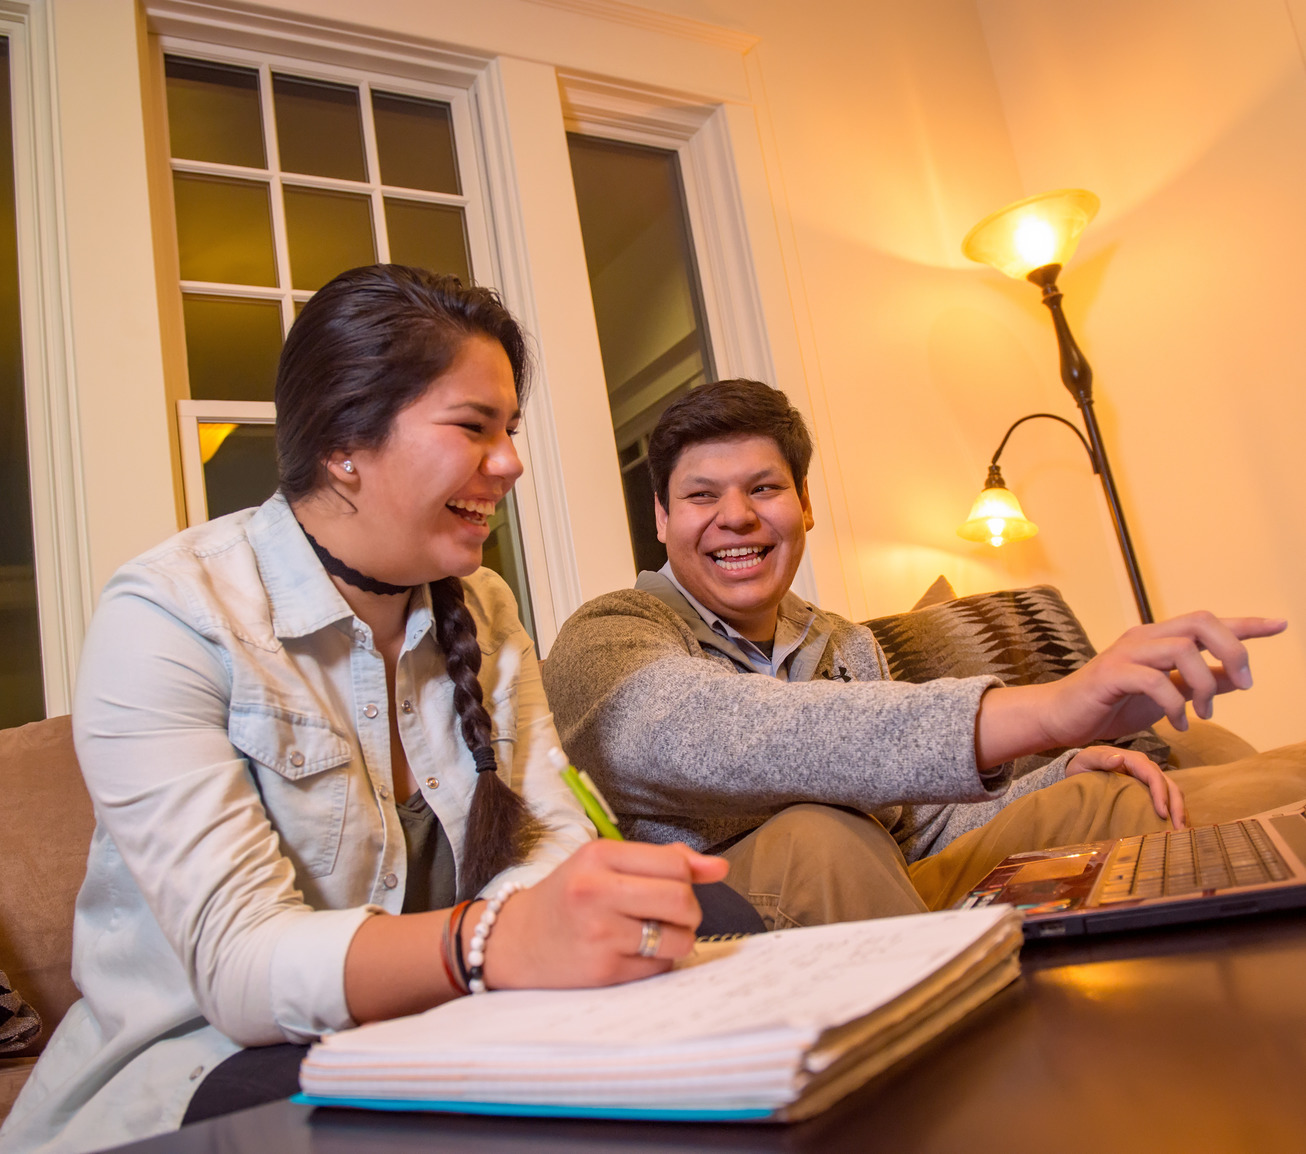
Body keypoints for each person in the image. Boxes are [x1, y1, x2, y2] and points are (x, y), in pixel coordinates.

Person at [0, 266, 727, 1154]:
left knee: (718, 934)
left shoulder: (487, 607)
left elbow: (549, 841)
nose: (510, 462)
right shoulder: (167, 613)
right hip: (199, 1067)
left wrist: (579, 915)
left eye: (510, 429)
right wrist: (494, 941)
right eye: (473, 427)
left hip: (434, 1026)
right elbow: (240, 969)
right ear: (345, 442)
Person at [542, 378, 1298, 930]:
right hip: (720, 924)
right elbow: (716, 730)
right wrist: (1049, 708)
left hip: (891, 899)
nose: (736, 517)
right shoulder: (610, 634)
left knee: (1114, 794)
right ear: (662, 518)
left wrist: (1061, 765)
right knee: (822, 836)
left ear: (804, 505)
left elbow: (921, 828)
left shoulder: (844, 643)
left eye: (763, 488)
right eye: (702, 496)